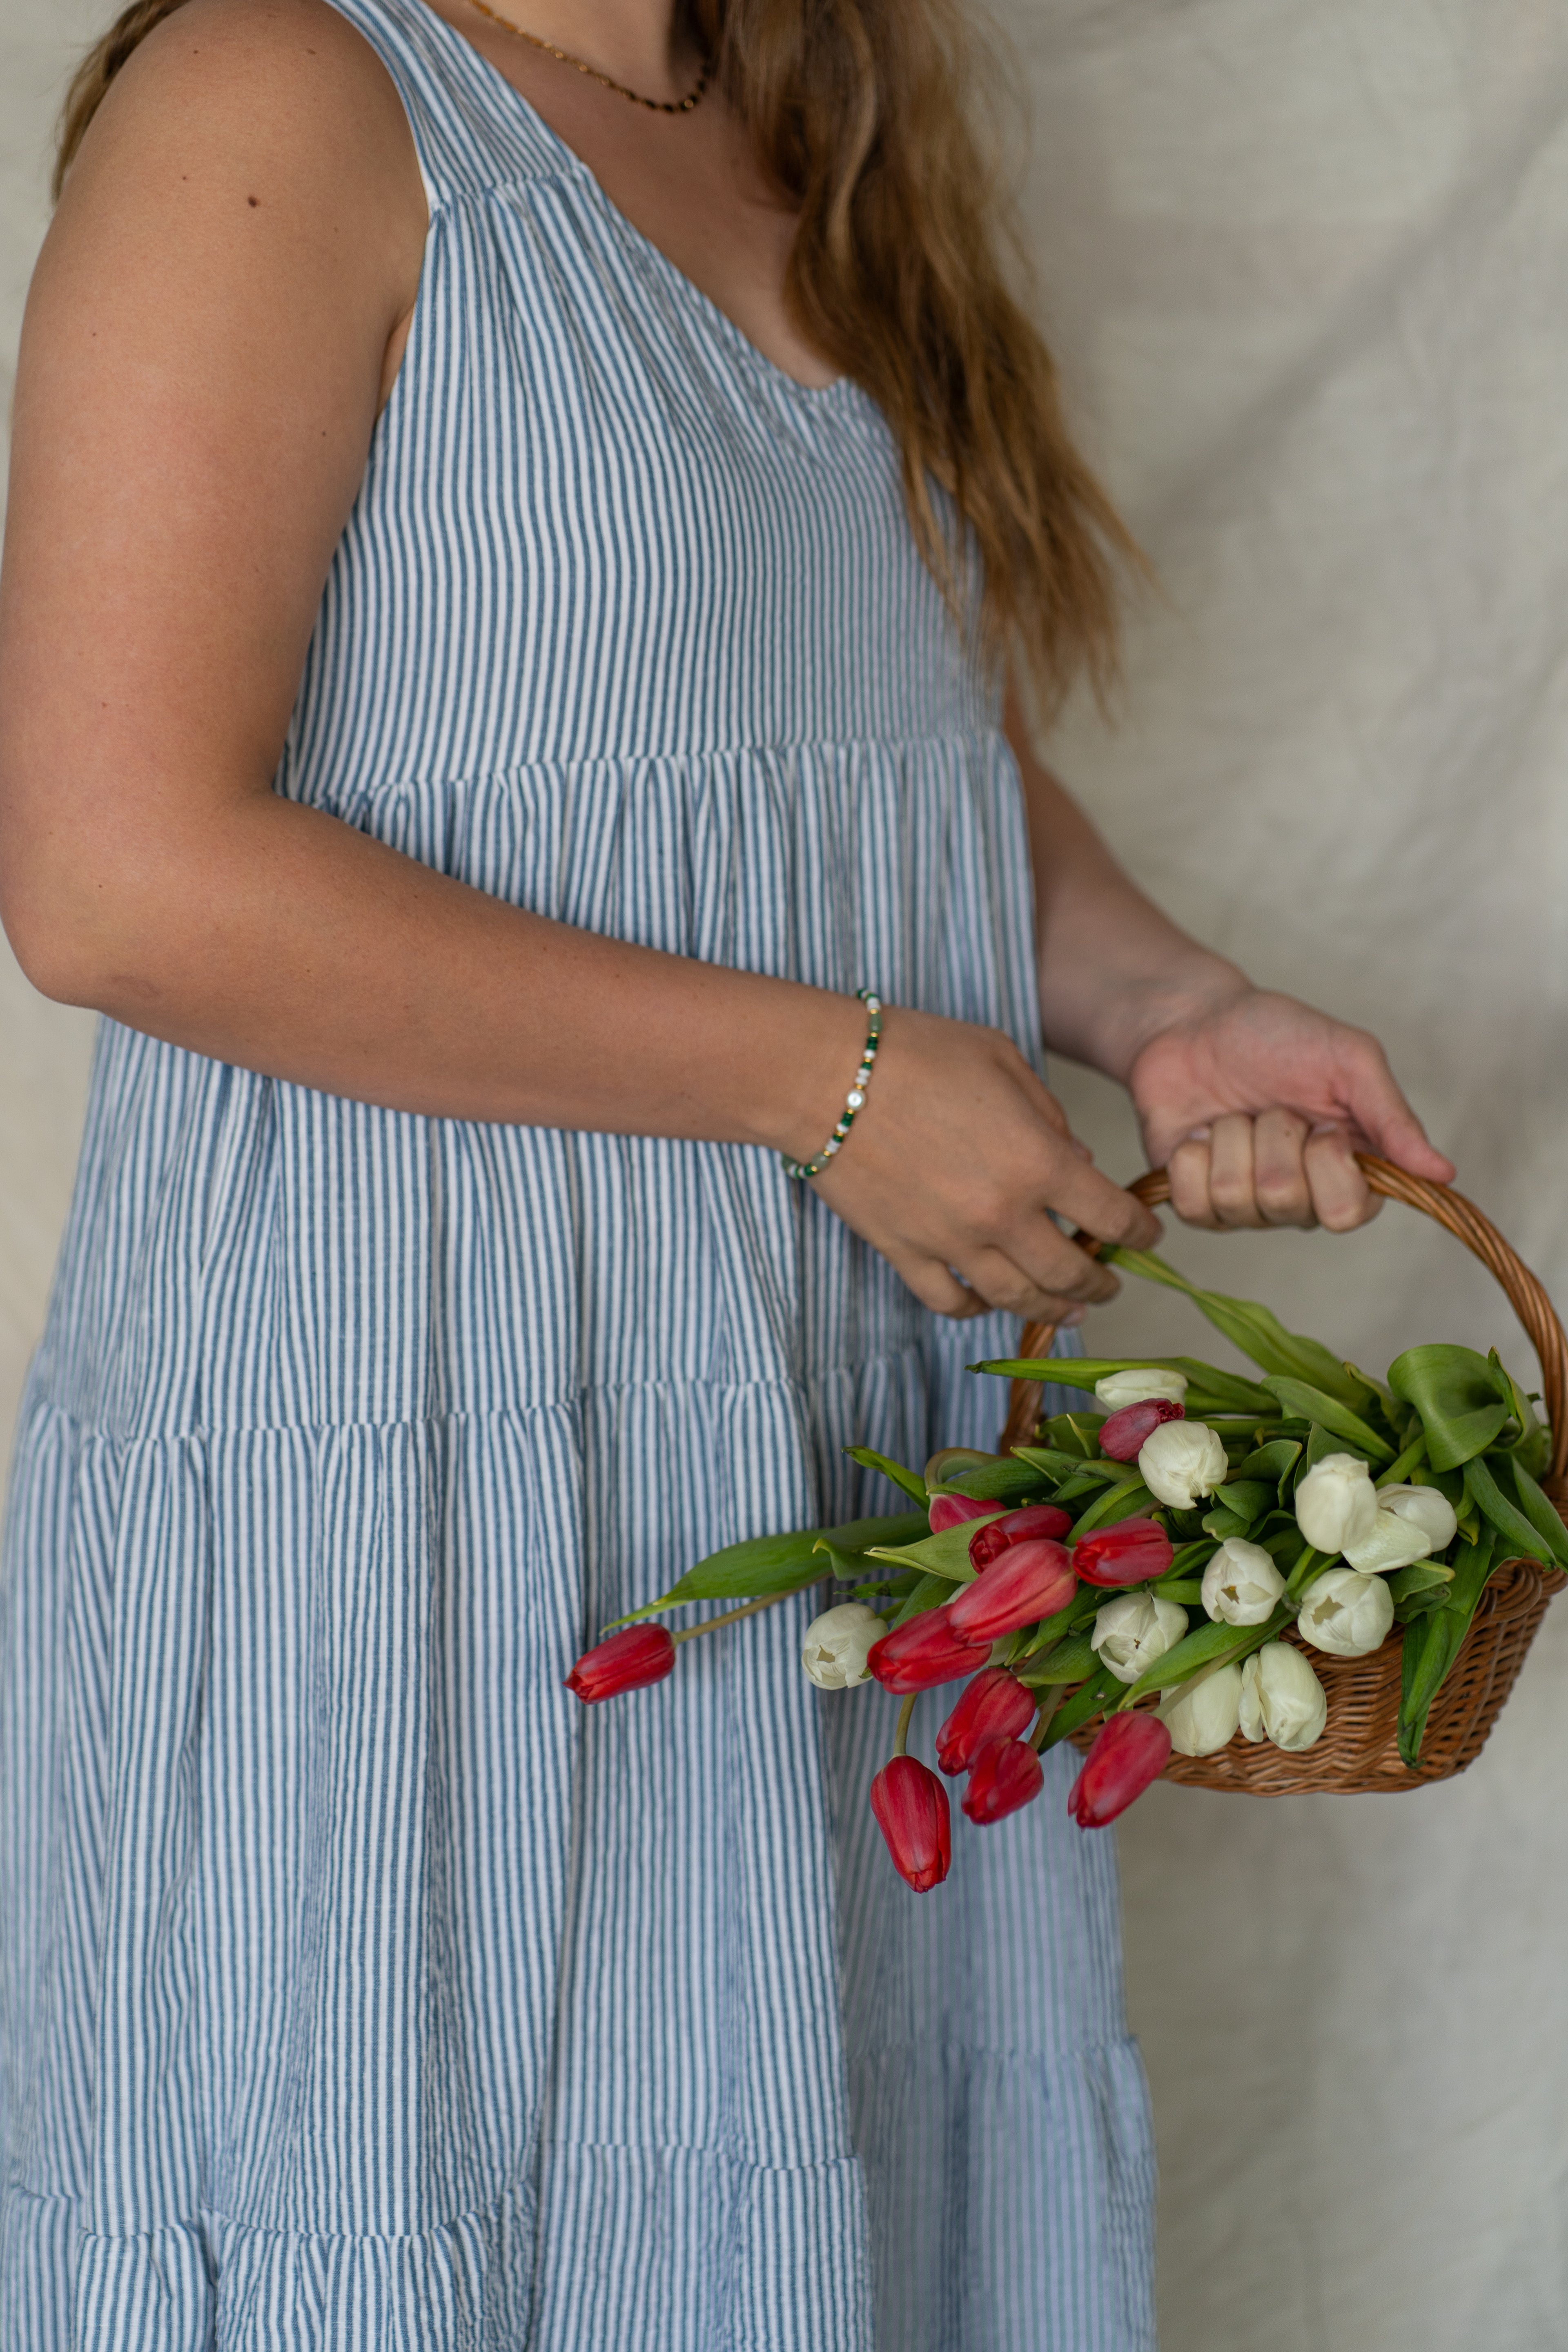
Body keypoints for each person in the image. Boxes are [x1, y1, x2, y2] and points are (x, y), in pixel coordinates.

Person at [0, 0, 1453, 2343]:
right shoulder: (285, 93)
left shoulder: (803, 114)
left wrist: (1170, 1006)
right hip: (442, 1468)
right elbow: (116, 871)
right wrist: (840, 1088)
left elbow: (862, 761)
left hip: (812, 1455)